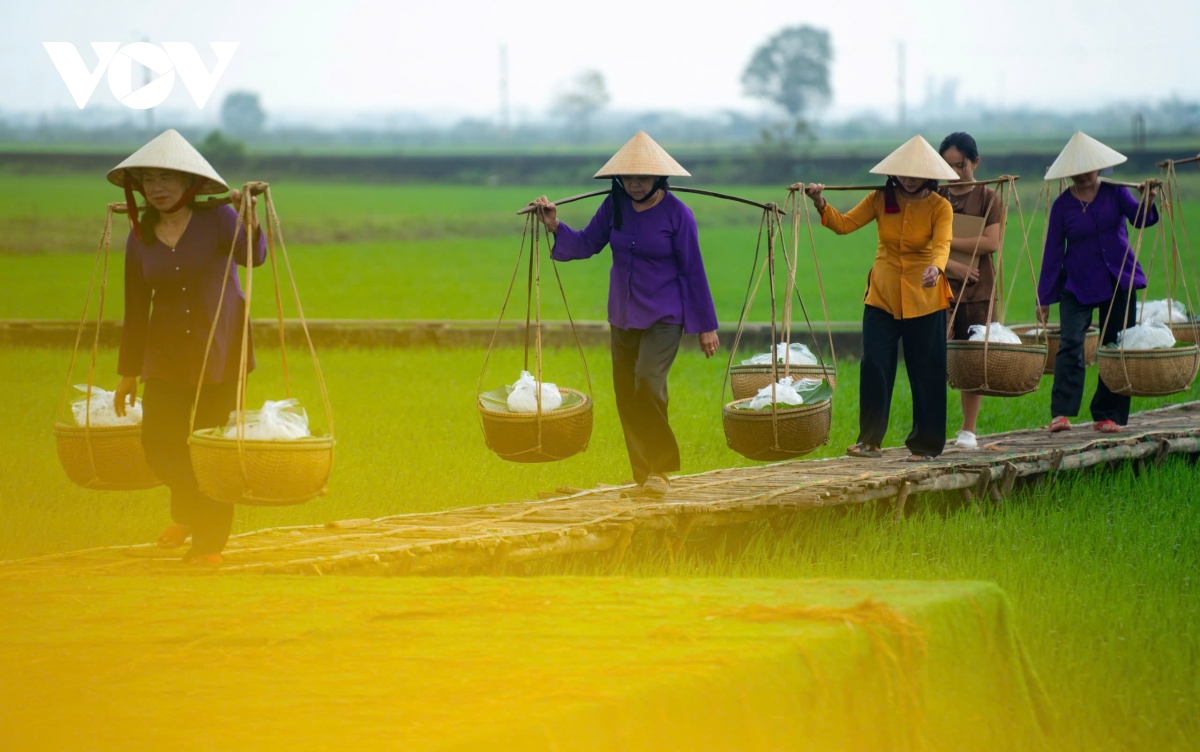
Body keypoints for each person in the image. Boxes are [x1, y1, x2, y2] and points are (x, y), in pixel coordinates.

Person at [530, 131, 720, 496]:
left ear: (658, 179)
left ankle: (661, 470)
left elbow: (693, 270)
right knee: (625, 393)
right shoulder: (614, 205)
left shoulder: (678, 215)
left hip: (665, 314)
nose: (634, 184)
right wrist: (554, 224)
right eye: (628, 178)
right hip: (623, 314)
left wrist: (706, 327)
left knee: (648, 382)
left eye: (642, 178)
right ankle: (643, 476)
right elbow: (587, 243)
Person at [109, 129, 266, 566]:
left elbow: (252, 258)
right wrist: (127, 373)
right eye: (148, 181)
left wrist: (251, 223)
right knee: (159, 442)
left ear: (187, 183)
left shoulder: (218, 220)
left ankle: (208, 545)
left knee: (211, 450)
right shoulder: (140, 236)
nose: (156, 189)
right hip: (164, 354)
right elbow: (136, 307)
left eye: (166, 179)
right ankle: (190, 512)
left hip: (221, 350)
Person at [804, 135, 957, 461]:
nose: (909, 178)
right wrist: (820, 203)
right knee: (874, 365)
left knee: (926, 370)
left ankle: (926, 445)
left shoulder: (940, 207)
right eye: (904, 172)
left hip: (924, 297)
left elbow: (942, 244)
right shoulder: (879, 198)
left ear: (930, 174)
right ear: (893, 172)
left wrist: (936, 268)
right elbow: (844, 225)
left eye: (917, 173)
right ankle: (869, 441)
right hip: (882, 297)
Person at [1037, 131, 1158, 434]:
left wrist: (1148, 199)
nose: (1082, 175)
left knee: (1114, 346)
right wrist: (1043, 299)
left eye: (1087, 169)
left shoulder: (1116, 193)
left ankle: (1107, 414)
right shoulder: (1062, 206)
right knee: (1071, 343)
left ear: (1099, 167)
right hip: (1076, 284)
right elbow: (1052, 253)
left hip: (1118, 279)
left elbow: (1142, 220)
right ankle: (1062, 413)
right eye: (1075, 170)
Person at [938, 132, 1004, 449]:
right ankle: (931, 426)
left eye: (960, 165)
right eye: (947, 166)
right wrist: (949, 262)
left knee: (973, 358)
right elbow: (920, 243)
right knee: (935, 356)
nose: (954, 172)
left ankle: (968, 429)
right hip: (937, 286)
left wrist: (945, 243)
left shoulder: (989, 198)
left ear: (975, 162)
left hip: (979, 286)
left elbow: (991, 242)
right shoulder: (935, 197)